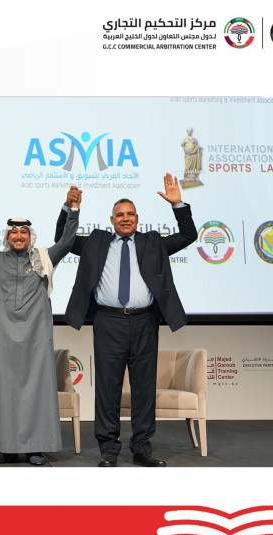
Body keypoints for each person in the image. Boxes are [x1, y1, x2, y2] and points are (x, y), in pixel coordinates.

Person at [56, 173, 195, 467]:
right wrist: (70, 208)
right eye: (120, 215)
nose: (125, 218)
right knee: (107, 388)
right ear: (112, 220)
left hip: (145, 322)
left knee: (144, 388)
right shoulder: (96, 242)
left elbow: (188, 236)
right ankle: (108, 448)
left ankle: (142, 448)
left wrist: (177, 204)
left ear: (137, 219)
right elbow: (62, 239)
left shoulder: (153, 242)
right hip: (108, 322)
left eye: (130, 214)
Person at [0, 186, 82, 466]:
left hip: (35, 342)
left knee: (36, 394)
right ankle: (5, 448)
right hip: (3, 342)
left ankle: (36, 447)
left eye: (23, 232)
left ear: (30, 236)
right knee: (5, 394)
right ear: (6, 237)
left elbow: (66, 242)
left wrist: (72, 209)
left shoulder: (43, 259)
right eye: (13, 232)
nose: (18, 236)